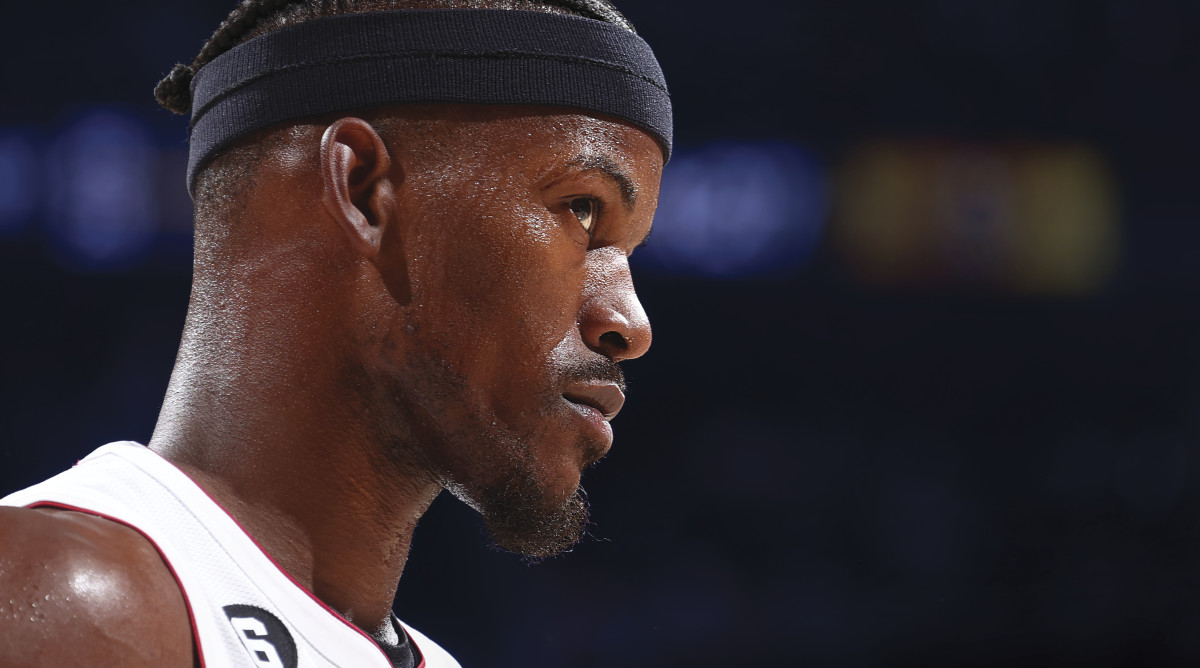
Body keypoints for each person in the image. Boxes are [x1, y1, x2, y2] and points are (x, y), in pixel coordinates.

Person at [0, 0, 670, 665]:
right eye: (582, 211)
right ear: (362, 188)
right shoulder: (66, 598)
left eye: (631, 251)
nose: (631, 323)